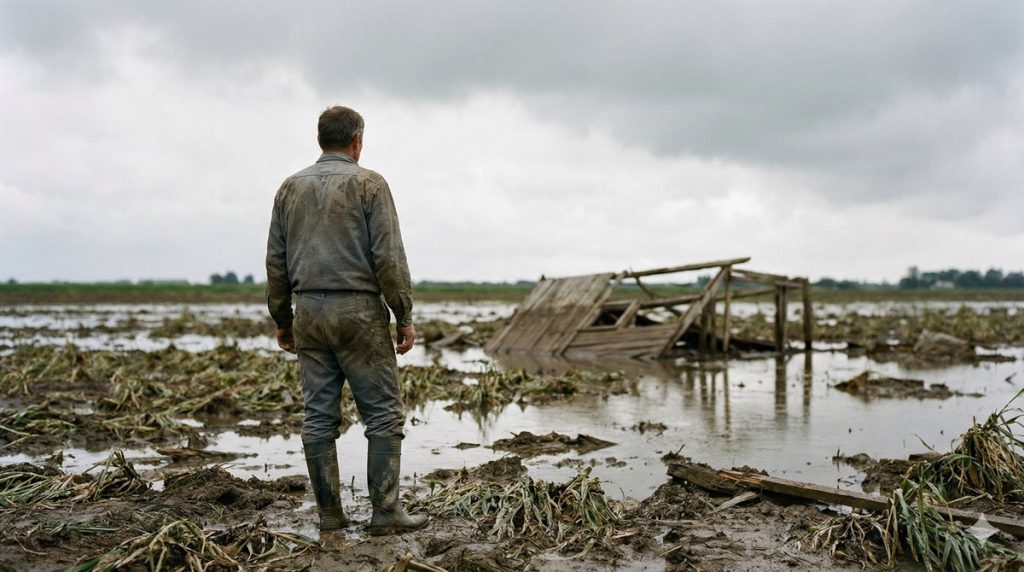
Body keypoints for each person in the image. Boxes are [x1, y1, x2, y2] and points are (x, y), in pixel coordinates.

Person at [265, 105, 427, 535]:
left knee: (318, 417)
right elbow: (388, 258)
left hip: (308, 313)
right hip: (357, 311)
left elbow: (276, 263)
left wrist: (283, 319)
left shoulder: (288, 188)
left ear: (321, 139)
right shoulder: (370, 184)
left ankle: (330, 516)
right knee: (384, 416)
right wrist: (404, 315)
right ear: (357, 140)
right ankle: (387, 513)